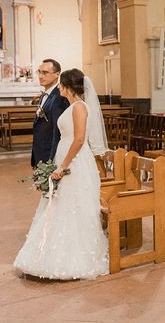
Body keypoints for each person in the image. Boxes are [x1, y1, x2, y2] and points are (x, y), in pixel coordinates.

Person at [14, 68, 109, 280]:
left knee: (75, 206)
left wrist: (62, 166)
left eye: (61, 85)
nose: (59, 89)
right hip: (65, 158)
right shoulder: (73, 106)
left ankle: (76, 257)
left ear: (66, 86)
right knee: (60, 205)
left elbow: (79, 139)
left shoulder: (79, 107)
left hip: (74, 162)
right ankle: (51, 252)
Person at [32, 59, 69, 167]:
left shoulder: (59, 97)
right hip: (40, 153)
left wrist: (52, 160)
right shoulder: (44, 95)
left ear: (57, 74)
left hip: (50, 156)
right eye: (39, 72)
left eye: (45, 72)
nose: (40, 76)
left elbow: (57, 131)